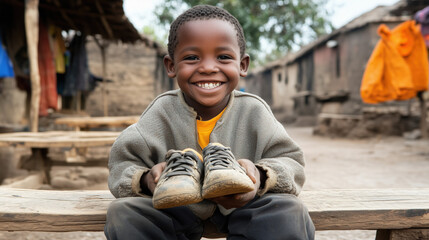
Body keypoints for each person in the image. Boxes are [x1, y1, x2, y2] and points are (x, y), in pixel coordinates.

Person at [104, 4, 314, 240]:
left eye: (223, 57)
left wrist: (260, 177)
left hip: (246, 208)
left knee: (288, 211)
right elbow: (122, 164)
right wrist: (147, 180)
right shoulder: (160, 112)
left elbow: (291, 161)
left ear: (242, 65)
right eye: (192, 58)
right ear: (171, 66)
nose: (207, 68)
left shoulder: (254, 111)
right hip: (175, 212)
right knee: (124, 213)